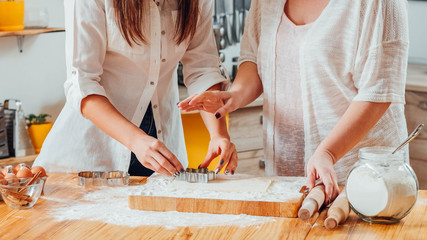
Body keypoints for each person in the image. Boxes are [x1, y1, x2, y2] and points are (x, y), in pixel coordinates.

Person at [179, 0, 409, 202]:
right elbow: (254, 60)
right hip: (286, 179)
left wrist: (328, 152)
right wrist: (234, 96)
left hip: (361, 178)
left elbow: (378, 92)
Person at [34, 0, 237, 177]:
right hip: (92, 157)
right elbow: (82, 83)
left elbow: (202, 67)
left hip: (161, 153)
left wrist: (218, 134)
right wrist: (136, 140)